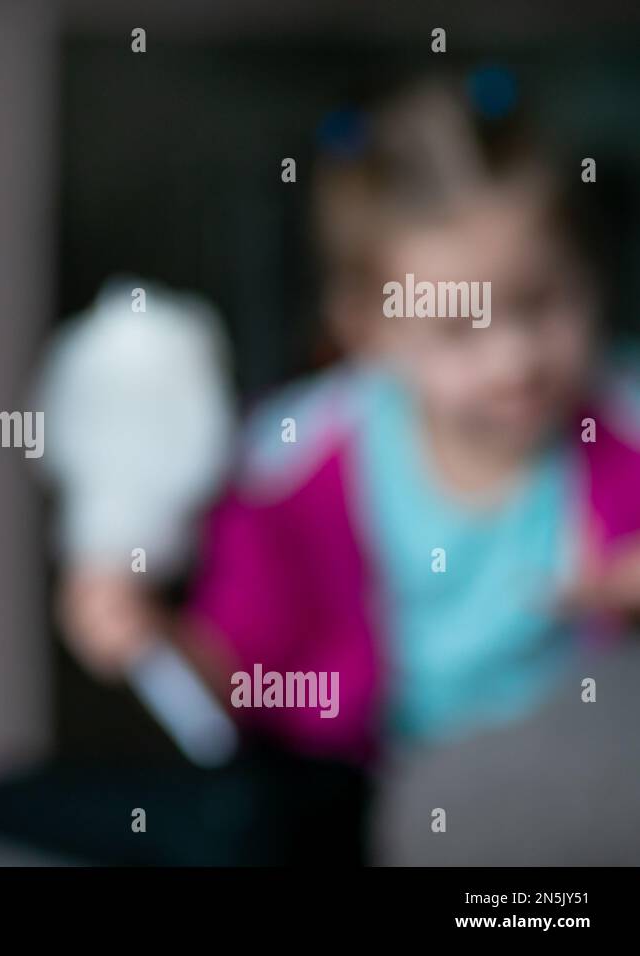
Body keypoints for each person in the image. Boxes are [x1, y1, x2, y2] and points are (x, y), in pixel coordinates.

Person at [58, 74, 640, 861]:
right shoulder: (298, 466)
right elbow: (246, 670)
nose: (517, 360)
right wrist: (152, 636)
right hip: (367, 793)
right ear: (369, 327)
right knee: (234, 823)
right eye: (459, 335)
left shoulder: (622, 433)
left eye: (541, 305)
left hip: (552, 785)